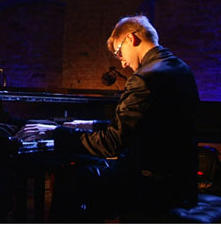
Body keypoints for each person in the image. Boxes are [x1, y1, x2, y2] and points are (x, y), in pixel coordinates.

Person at [16, 15, 200, 222]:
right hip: (183, 183)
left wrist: (57, 132)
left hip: (151, 187)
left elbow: (114, 144)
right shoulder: (181, 69)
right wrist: (91, 125)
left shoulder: (144, 78)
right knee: (90, 166)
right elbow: (142, 128)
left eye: (119, 53)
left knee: (73, 176)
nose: (123, 63)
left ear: (131, 38)